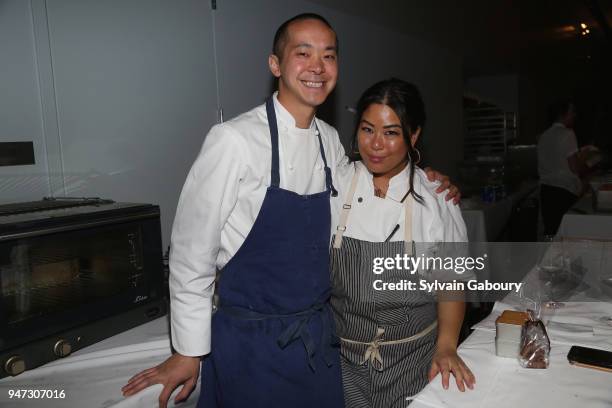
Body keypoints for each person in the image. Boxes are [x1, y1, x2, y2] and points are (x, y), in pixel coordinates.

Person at [121, 14, 459, 408]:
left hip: (317, 345)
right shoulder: (234, 141)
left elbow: (377, 176)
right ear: (275, 65)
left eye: (328, 55)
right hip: (250, 344)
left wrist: (428, 179)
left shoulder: (330, 142)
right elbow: (190, 253)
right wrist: (188, 351)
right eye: (304, 53)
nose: (317, 66)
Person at [330, 78, 474, 407]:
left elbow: (451, 281)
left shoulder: (436, 198)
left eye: (391, 132)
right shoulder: (336, 185)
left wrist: (448, 345)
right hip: (342, 361)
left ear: (413, 135)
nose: (376, 144)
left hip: (413, 360)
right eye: (367, 129)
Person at [537, 100, 587, 236]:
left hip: (546, 191)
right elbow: (574, 167)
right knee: (567, 236)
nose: (574, 115)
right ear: (562, 114)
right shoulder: (568, 134)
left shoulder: (543, 136)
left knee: (552, 234)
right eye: (572, 112)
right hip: (564, 192)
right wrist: (584, 159)